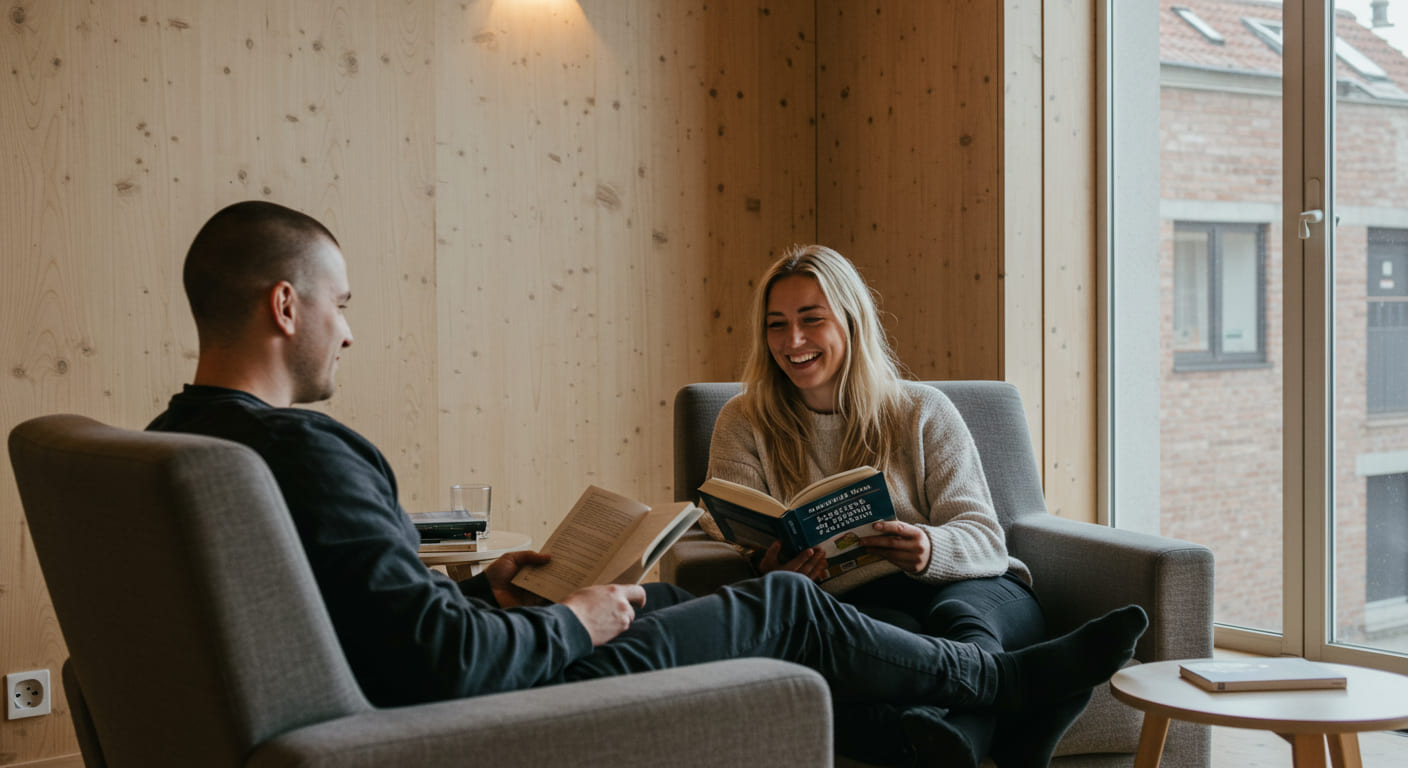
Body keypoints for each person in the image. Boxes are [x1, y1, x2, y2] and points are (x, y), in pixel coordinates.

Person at [149, 201, 1148, 768]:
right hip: (506, 687)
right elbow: (438, 661)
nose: (350, 329)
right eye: (342, 305)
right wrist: (574, 620)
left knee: (707, 602)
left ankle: (960, 707)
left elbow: (384, 616)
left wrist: (484, 587)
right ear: (287, 305)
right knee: (788, 604)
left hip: (439, 675)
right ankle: (1006, 686)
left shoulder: (177, 445)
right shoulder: (313, 453)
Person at [704, 244, 1075, 767]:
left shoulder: (921, 410)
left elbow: (985, 536)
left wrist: (928, 546)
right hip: (858, 604)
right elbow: (739, 528)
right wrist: (772, 568)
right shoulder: (743, 422)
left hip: (975, 586)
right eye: (776, 325)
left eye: (812, 320)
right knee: (880, 650)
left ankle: (968, 726)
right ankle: (1019, 710)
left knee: (958, 619)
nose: (793, 342)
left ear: (852, 323)